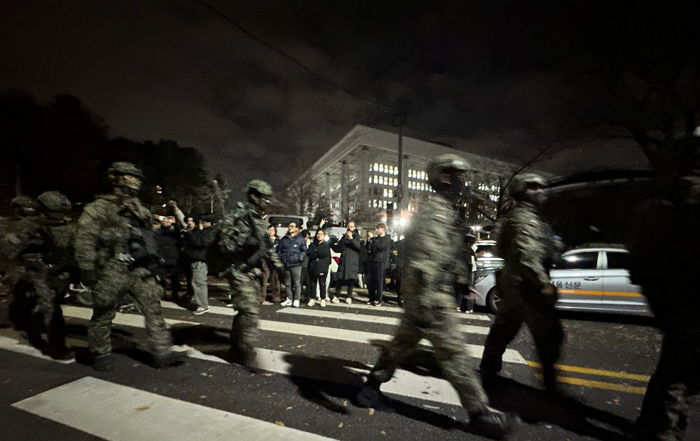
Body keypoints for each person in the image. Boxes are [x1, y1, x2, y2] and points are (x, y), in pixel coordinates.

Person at [356, 154, 518, 438]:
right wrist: (427, 300)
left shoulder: (446, 210)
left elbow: (446, 254)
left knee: (399, 346)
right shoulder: (437, 211)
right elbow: (423, 260)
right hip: (431, 297)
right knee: (455, 355)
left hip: (427, 295)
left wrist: (458, 281)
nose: (457, 181)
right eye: (450, 175)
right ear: (437, 177)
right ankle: (479, 413)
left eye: (458, 175)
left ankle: (370, 389)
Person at [74, 162, 186, 371]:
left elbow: (148, 237)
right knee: (104, 312)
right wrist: (87, 269)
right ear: (115, 179)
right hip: (112, 267)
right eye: (128, 177)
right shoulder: (98, 208)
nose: (134, 183)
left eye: (136, 179)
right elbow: (85, 240)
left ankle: (162, 352)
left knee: (153, 307)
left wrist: (154, 263)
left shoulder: (139, 208)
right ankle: (101, 352)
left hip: (139, 268)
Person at [627, 139, 699, 441]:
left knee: (674, 368)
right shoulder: (683, 200)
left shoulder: (657, 202)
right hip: (688, 301)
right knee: (681, 374)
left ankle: (650, 424)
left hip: (674, 301)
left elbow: (638, 262)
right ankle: (663, 431)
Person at [479, 173, 564, 396]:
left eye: (541, 186)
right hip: (527, 286)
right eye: (533, 187)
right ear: (521, 191)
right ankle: (549, 384)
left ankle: (488, 370)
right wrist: (544, 285)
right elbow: (528, 258)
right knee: (550, 334)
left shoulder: (519, 217)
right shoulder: (526, 219)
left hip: (513, 284)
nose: (541, 191)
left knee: (504, 329)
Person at [217, 179, 284, 371]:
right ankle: (247, 354)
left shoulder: (260, 220)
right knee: (250, 311)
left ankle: (235, 348)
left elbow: (267, 248)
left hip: (254, 272)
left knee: (245, 310)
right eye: (263, 198)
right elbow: (225, 245)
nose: (267, 202)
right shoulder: (237, 216)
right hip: (237, 270)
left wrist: (279, 266)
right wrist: (245, 241)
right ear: (253, 196)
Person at [183, 215, 215, 315]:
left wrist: (189, 234)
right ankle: (203, 303)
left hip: (200, 259)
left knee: (198, 282)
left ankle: (202, 305)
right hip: (198, 259)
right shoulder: (207, 231)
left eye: (203, 222)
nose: (202, 224)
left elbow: (200, 242)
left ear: (209, 223)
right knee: (199, 282)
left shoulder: (209, 232)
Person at [277, 221, 307, 308]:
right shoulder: (284, 239)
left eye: (292, 226)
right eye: (289, 226)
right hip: (286, 263)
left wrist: (299, 258)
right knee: (287, 283)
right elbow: (279, 250)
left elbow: (304, 251)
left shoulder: (300, 239)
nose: (290, 228)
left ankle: (297, 299)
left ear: (297, 228)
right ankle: (289, 299)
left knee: (297, 283)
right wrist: (281, 258)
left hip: (296, 264)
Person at [331, 221, 361, 304]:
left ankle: (349, 296)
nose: (349, 228)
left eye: (351, 227)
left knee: (351, 280)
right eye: (348, 226)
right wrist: (333, 244)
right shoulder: (344, 237)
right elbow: (339, 248)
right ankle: (337, 295)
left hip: (352, 262)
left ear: (354, 228)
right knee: (339, 279)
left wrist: (351, 238)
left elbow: (358, 247)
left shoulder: (356, 236)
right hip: (343, 261)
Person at [366, 223, 391, 306]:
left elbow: (381, 247)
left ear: (382, 229)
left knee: (379, 281)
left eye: (377, 229)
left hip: (381, 262)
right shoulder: (375, 239)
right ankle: (371, 298)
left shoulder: (387, 238)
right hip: (373, 261)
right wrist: (369, 241)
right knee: (370, 280)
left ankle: (379, 299)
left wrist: (373, 239)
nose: (376, 230)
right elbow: (370, 248)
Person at [306, 228, 332, 307]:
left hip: (322, 268)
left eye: (321, 234)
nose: (319, 236)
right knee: (312, 284)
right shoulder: (312, 244)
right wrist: (316, 254)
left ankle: (323, 299)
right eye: (318, 234)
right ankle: (312, 298)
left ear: (324, 236)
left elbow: (325, 255)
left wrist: (316, 253)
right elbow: (309, 253)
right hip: (313, 267)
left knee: (322, 284)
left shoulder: (326, 246)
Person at [261, 225, 281, 303]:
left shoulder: (278, 240)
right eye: (269, 230)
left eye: (273, 230)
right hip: (265, 261)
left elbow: (280, 250)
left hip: (274, 262)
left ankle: (276, 297)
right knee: (264, 278)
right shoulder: (264, 240)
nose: (271, 231)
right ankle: (261, 297)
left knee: (275, 279)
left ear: (275, 231)